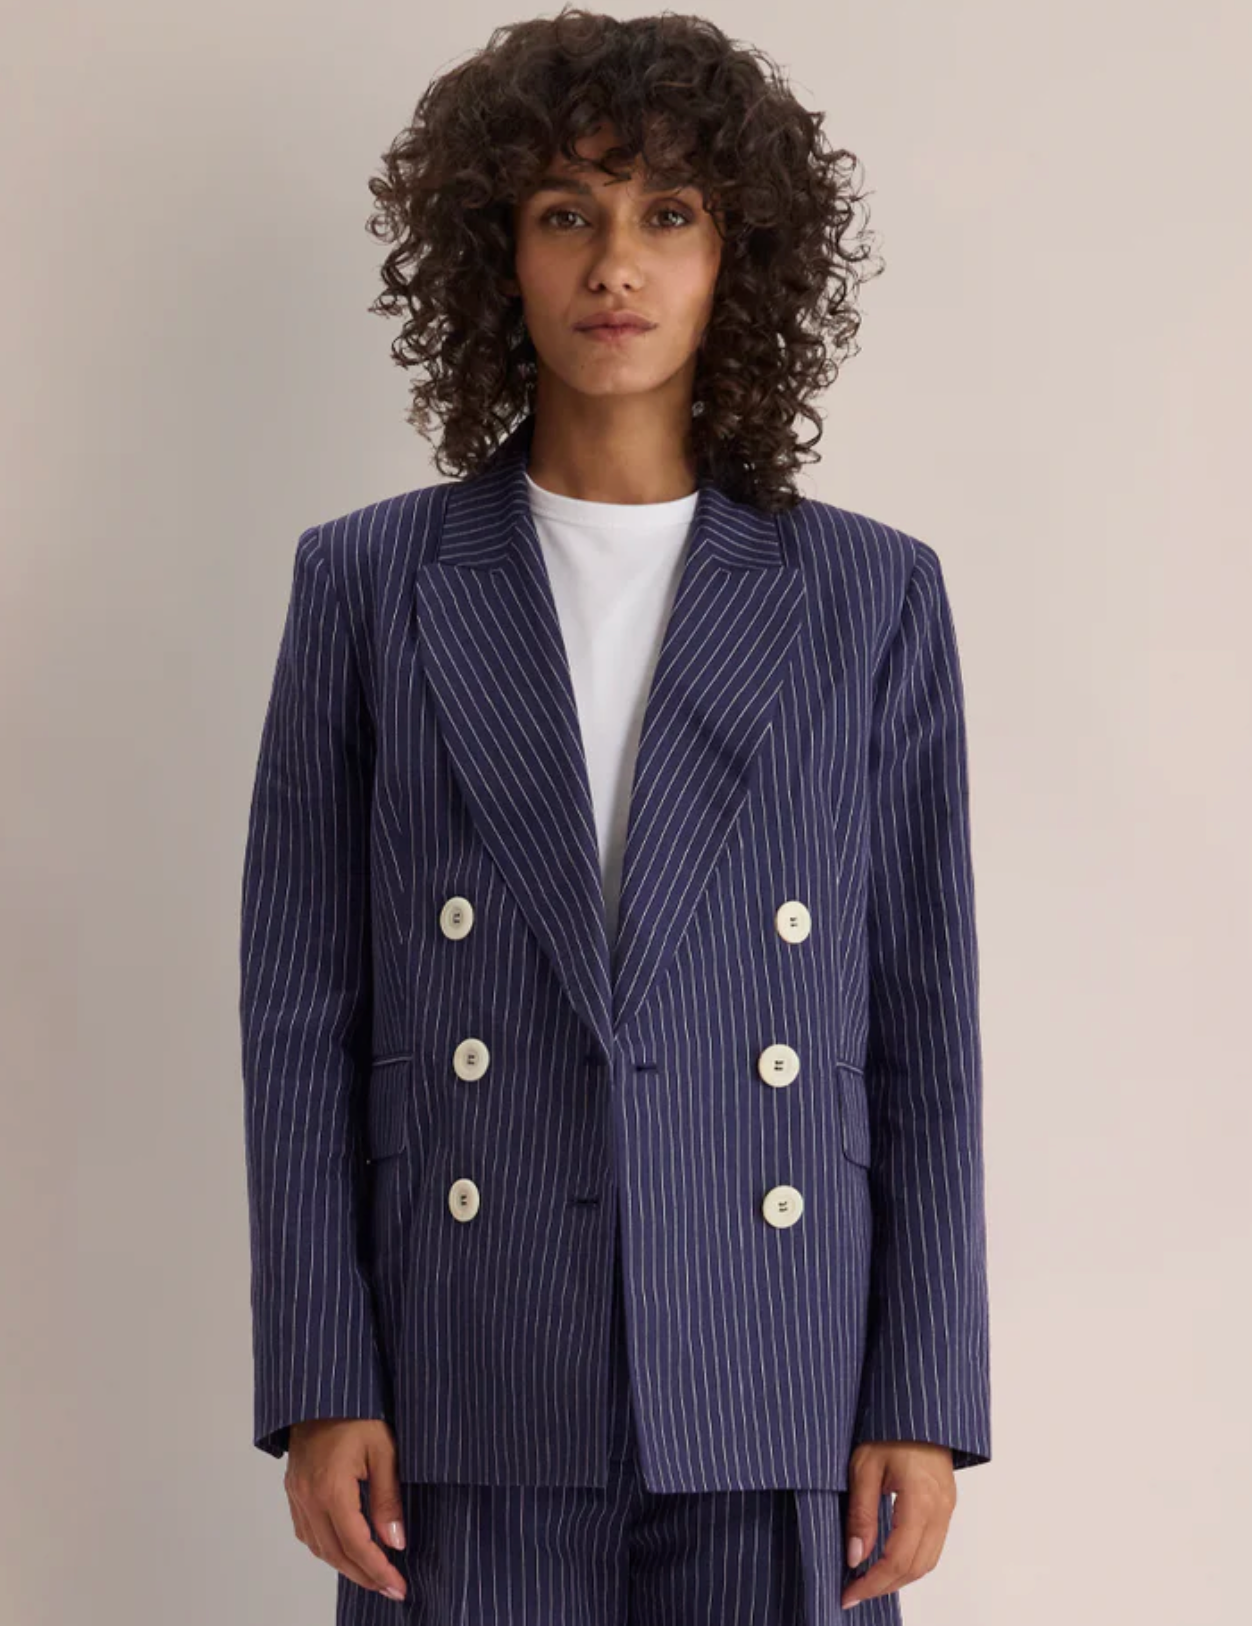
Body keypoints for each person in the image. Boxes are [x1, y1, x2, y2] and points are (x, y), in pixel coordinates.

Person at [238, 10, 990, 1623]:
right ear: (496, 253)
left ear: (739, 259)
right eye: (567, 211)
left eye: (670, 214)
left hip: (779, 1372)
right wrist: (318, 1374)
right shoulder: (366, 583)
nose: (616, 263)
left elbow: (923, 1025)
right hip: (462, 1364)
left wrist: (923, 1391)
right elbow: (299, 1015)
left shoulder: (871, 596)